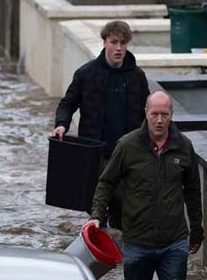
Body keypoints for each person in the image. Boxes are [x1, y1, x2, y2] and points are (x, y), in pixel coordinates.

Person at [85, 91, 203, 280]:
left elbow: (193, 192)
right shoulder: (127, 146)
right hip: (137, 241)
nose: (159, 120)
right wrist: (97, 215)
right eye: (155, 114)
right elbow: (106, 182)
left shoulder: (184, 147)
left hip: (174, 241)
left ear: (172, 115)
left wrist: (196, 230)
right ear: (146, 113)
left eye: (164, 115)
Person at [54, 21, 150, 229]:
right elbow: (67, 103)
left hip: (127, 156)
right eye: (114, 42)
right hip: (96, 155)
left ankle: (122, 256)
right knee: (96, 212)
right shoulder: (86, 74)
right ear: (104, 43)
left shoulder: (137, 77)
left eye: (123, 43)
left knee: (125, 212)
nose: (119, 48)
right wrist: (62, 124)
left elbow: (148, 111)